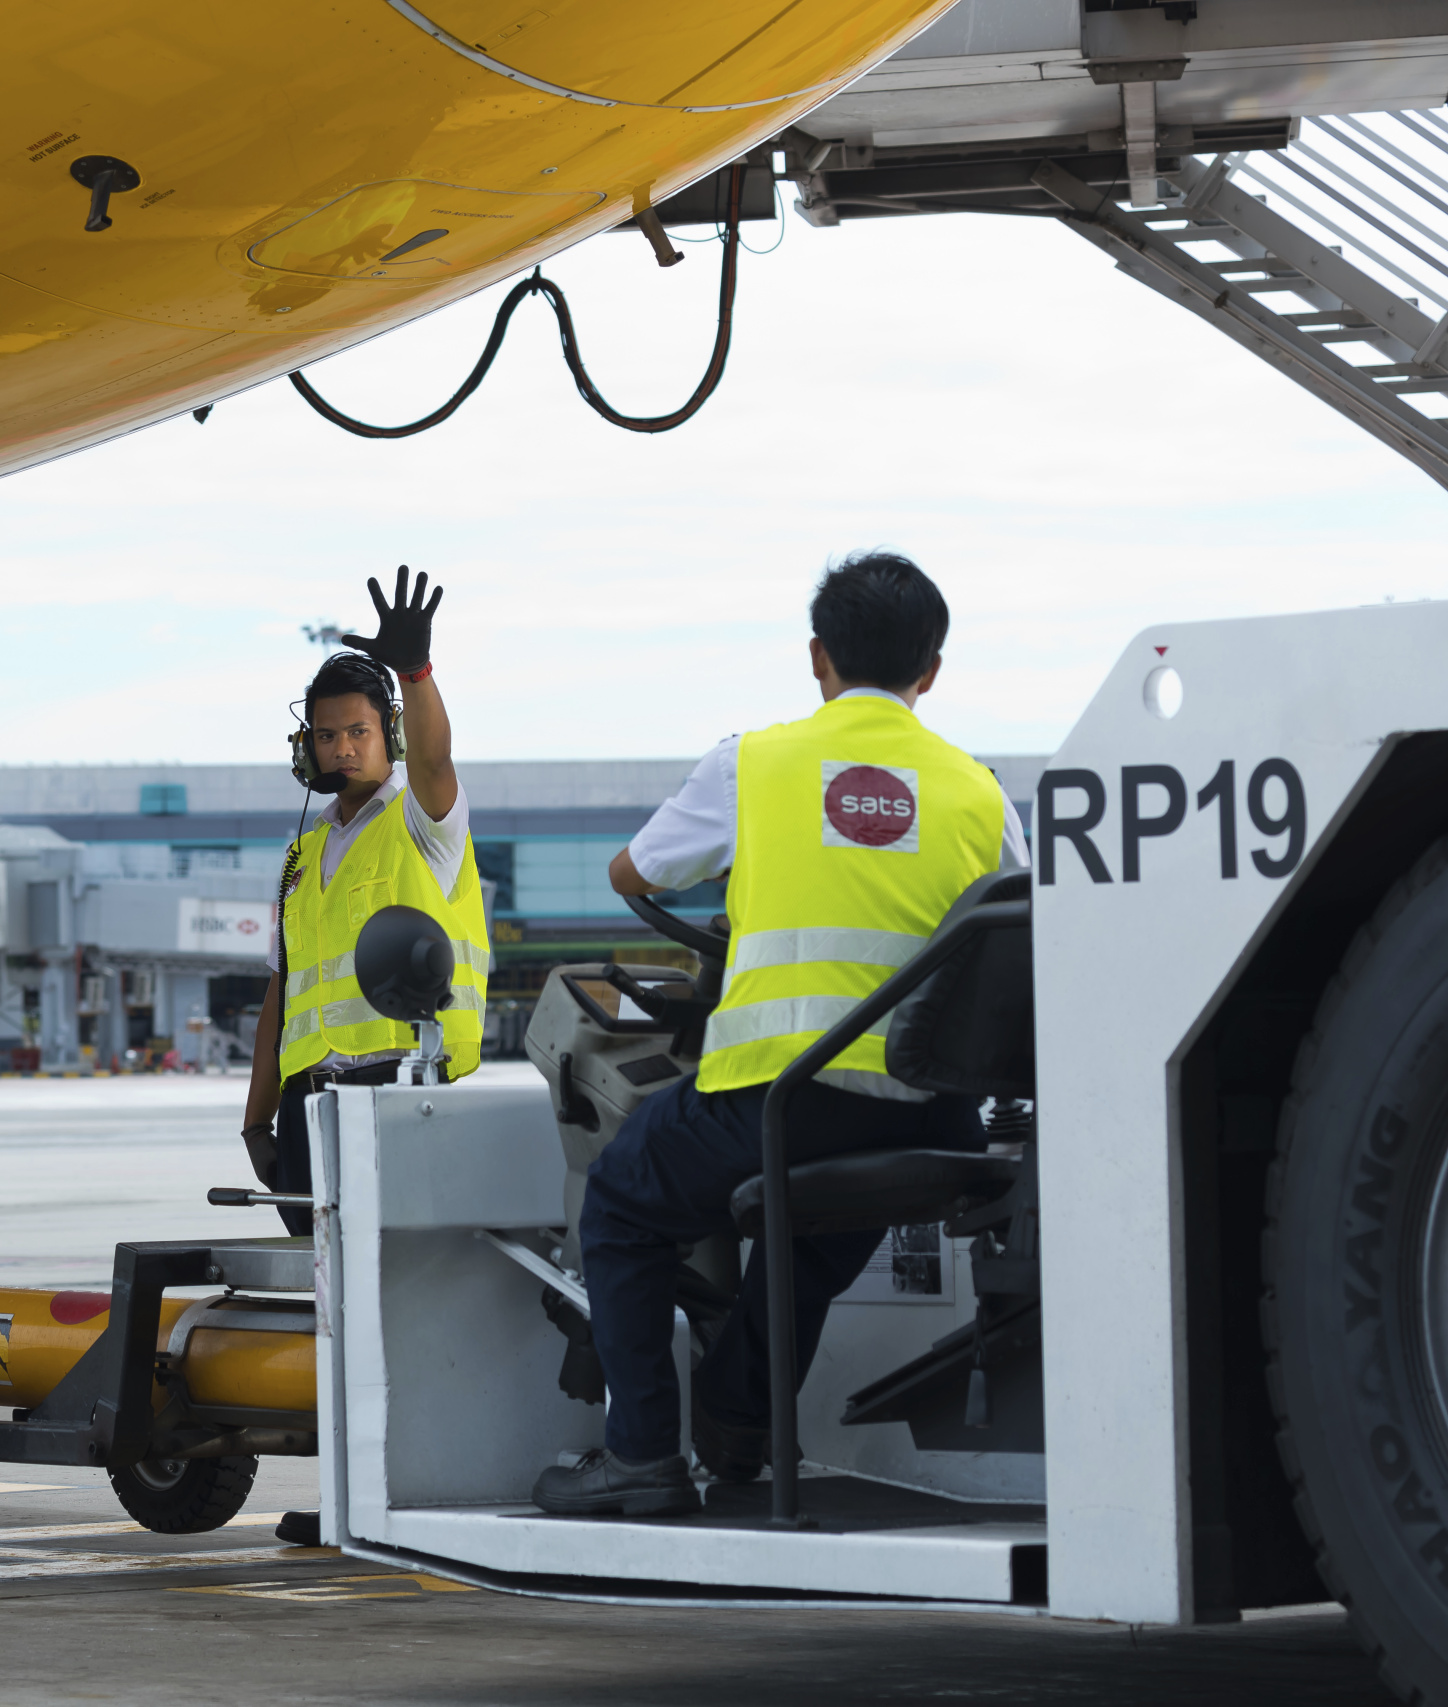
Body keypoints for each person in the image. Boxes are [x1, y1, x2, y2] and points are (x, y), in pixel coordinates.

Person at [533, 551, 1029, 1518]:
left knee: (624, 1209)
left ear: (818, 658)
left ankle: (642, 1456)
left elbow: (634, 873)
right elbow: (1008, 928)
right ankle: (739, 1420)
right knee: (806, 1242)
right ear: (931, 669)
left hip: (779, 1095)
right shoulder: (978, 791)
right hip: (933, 1119)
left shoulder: (752, 762)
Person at [240, 568, 492, 1546]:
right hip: (311, 1106)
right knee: (333, 1309)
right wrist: (256, 1110)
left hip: (398, 1089)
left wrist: (415, 672)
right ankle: (351, 1497)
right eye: (325, 734)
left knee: (396, 1301)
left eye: (357, 730)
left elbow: (437, 756)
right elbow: (283, 986)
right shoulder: (304, 856)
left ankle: (412, 1489)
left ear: (382, 732)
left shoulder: (423, 823)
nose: (341, 748)